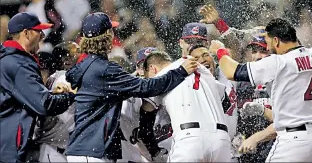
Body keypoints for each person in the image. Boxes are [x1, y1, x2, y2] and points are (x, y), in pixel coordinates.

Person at [64, 12, 198, 163]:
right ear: (108, 34)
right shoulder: (104, 69)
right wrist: (180, 71)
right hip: (92, 151)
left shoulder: (86, 66)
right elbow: (147, 87)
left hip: (84, 148)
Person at [209, 18, 312, 162]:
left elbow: (232, 72)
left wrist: (220, 51)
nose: (268, 49)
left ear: (276, 41)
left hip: (294, 141)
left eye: (268, 44)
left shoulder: (278, 62)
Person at [0, 12, 76, 162]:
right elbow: (44, 104)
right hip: (9, 146)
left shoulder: (11, 59)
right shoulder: (17, 64)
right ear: (26, 33)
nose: (42, 36)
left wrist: (52, 93)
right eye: (38, 31)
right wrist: (71, 95)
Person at [141, 51, 231, 162]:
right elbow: (226, 103)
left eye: (147, 76)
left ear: (152, 68)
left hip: (189, 139)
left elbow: (146, 113)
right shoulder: (201, 69)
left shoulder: (162, 76)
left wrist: (153, 149)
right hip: (221, 140)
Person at [33, 41, 81, 162]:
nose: (82, 58)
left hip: (52, 148)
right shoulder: (64, 78)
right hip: (54, 150)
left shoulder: (54, 77)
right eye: (78, 53)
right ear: (66, 61)